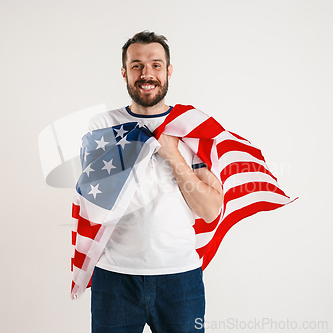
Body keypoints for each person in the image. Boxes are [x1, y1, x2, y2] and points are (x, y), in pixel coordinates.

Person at [87, 31, 223, 333]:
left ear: (169, 71)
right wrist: (140, 147)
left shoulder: (193, 128)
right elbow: (95, 208)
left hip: (180, 278)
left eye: (156, 65)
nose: (146, 73)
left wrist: (173, 154)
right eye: (136, 65)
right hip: (115, 277)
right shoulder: (103, 126)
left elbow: (211, 210)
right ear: (124, 73)